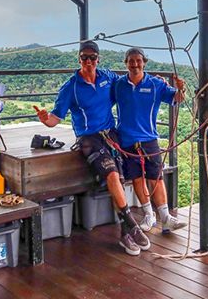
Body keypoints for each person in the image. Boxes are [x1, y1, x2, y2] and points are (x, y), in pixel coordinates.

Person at [34, 40, 149, 256]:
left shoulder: (108, 77)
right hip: (89, 138)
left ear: (98, 59)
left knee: (120, 181)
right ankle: (132, 224)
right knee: (113, 176)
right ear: (79, 59)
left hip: (111, 134)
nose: (88, 61)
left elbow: (127, 83)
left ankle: (125, 234)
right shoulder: (71, 87)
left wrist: (152, 81)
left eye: (92, 57)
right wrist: (44, 118)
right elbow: (54, 120)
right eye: (84, 57)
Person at [114, 47, 187, 234]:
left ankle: (165, 217)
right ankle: (149, 215)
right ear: (126, 63)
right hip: (127, 139)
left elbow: (176, 99)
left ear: (144, 63)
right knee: (137, 178)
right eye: (131, 60)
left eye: (138, 60)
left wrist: (181, 88)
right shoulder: (118, 85)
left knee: (156, 177)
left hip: (149, 138)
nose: (135, 64)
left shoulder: (156, 84)